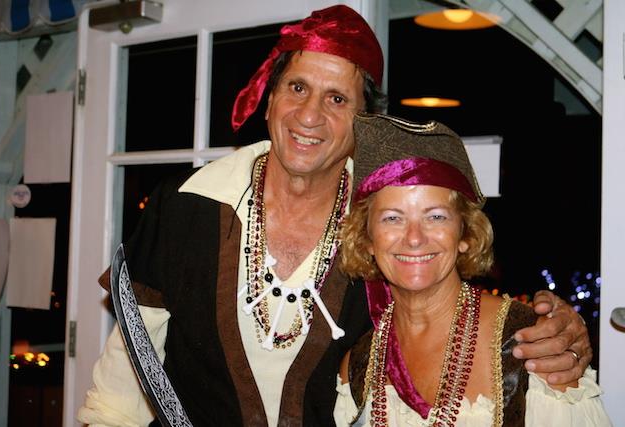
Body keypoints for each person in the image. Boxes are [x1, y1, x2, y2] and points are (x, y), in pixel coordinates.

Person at [77, 5, 592, 427]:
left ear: (363, 122)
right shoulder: (186, 204)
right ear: (269, 98)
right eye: (297, 87)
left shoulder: (384, 227)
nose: (309, 115)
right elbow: (123, 380)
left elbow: (451, 307)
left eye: (337, 98)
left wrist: (554, 331)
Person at [334, 112, 610, 426]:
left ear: (465, 234)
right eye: (392, 218)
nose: (414, 238)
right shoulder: (358, 365)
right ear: (367, 239)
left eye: (435, 216)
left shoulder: (536, 345)